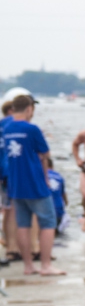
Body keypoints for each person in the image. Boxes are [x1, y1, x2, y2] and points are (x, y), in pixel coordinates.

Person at [2, 95, 65, 276]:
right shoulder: (32, 129)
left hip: (15, 184)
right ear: (29, 109)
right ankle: (46, 265)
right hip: (35, 183)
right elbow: (45, 152)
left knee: (23, 224)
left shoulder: (6, 128)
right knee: (48, 223)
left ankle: (28, 266)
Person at [1, 100, 19, 264]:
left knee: (6, 210)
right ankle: (12, 248)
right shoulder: (14, 124)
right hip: (9, 173)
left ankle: (9, 246)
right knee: (11, 210)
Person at [45, 158, 68, 233]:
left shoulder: (39, 175)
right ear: (52, 166)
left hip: (43, 214)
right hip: (58, 214)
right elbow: (65, 200)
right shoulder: (59, 177)